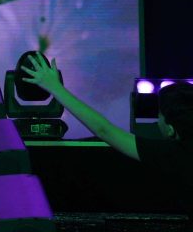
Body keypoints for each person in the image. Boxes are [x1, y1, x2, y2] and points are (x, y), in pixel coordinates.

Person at [22, 52, 193, 217]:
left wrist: (54, 87)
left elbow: (104, 130)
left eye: (159, 116)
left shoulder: (173, 155)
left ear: (171, 129)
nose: (157, 121)